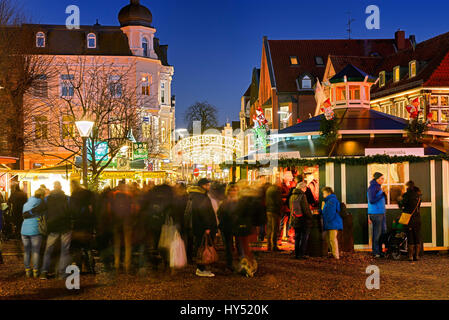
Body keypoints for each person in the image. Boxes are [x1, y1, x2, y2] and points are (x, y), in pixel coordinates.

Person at [40, 181, 71, 280]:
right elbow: (73, 211)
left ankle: (44, 272)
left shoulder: (47, 199)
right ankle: (62, 273)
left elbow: (41, 211)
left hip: (52, 227)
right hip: (65, 227)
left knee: (48, 250)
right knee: (65, 251)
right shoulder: (67, 198)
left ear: (53, 187)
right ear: (61, 187)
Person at [188, 178, 217, 277]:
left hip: (198, 226)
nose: (209, 187)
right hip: (202, 227)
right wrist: (207, 227)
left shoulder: (196, 195)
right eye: (207, 185)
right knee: (202, 247)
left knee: (201, 246)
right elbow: (204, 213)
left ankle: (202, 267)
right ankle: (201, 268)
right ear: (202, 186)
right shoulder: (201, 197)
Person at [69, 180, 96, 274]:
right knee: (88, 246)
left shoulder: (74, 196)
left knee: (77, 247)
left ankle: (79, 266)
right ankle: (91, 267)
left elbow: (72, 211)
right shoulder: (89, 194)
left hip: (78, 224)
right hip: (88, 224)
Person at [109, 180, 135, 274]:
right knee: (128, 245)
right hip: (127, 222)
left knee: (117, 244)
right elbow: (133, 209)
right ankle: (127, 265)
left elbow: (109, 209)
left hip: (116, 222)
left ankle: (116, 264)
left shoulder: (113, 196)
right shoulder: (129, 196)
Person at [21, 188, 46, 278]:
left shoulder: (26, 203)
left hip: (24, 229)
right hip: (35, 229)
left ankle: (27, 271)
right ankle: (35, 271)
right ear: (42, 195)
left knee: (27, 251)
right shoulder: (40, 202)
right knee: (35, 251)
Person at [217, 183, 239, 271]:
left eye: (235, 190)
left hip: (235, 226)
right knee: (229, 246)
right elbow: (220, 214)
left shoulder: (238, 201)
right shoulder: (225, 202)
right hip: (227, 226)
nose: (233, 192)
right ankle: (230, 264)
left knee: (238, 245)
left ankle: (239, 262)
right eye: (231, 190)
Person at [398, 181, 422, 261]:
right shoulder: (418, 196)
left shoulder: (406, 195)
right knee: (417, 237)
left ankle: (410, 256)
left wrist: (399, 200)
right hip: (417, 219)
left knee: (410, 237)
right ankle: (417, 256)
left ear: (408, 187)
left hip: (409, 219)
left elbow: (401, 205)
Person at [289, 182, 313, 259]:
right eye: (305, 188)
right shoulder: (302, 196)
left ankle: (296, 254)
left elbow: (291, 208)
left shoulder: (292, 196)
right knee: (304, 238)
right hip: (302, 220)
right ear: (303, 188)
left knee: (297, 237)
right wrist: (310, 216)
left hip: (295, 219)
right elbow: (305, 209)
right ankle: (301, 254)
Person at [367, 172, 387, 258]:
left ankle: (379, 250)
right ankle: (376, 252)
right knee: (377, 233)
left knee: (383, 232)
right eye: (382, 178)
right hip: (376, 213)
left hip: (381, 212)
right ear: (377, 179)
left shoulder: (378, 187)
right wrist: (382, 195)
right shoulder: (373, 187)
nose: (383, 180)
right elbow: (372, 200)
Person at [321, 187, 343, 260]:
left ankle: (336, 255)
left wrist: (327, 219)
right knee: (329, 239)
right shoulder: (330, 201)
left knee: (332, 239)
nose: (323, 195)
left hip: (332, 222)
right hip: (332, 222)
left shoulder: (331, 201)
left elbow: (330, 212)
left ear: (328, 193)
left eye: (324, 193)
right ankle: (333, 254)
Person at [265, 181, 282, 251]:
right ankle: (274, 246)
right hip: (274, 211)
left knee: (269, 228)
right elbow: (278, 201)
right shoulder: (276, 190)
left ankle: (269, 245)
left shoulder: (268, 189)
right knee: (275, 229)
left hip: (268, 210)